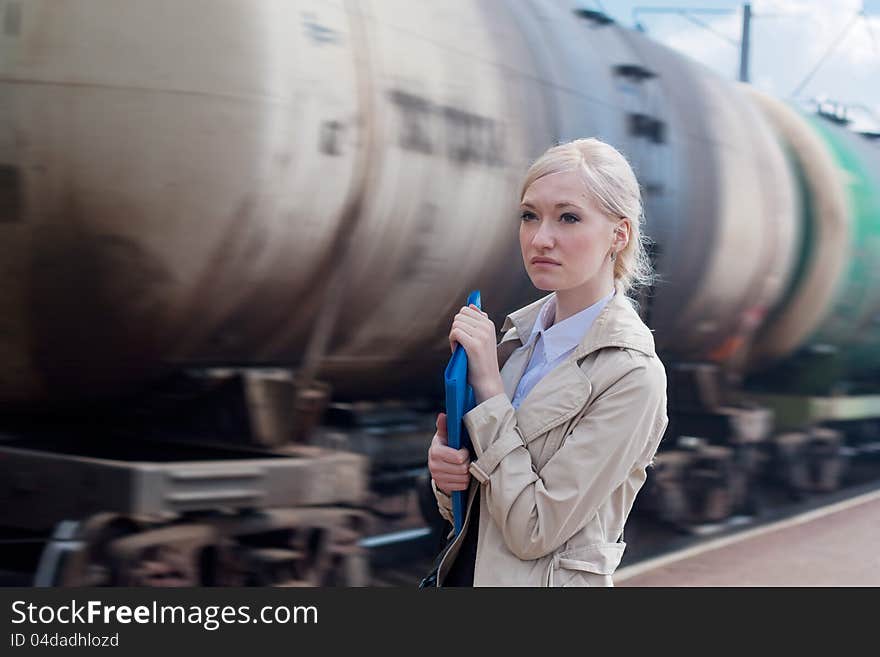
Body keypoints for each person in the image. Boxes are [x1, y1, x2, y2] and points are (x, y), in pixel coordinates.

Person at [426, 137, 668, 587]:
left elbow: (533, 529)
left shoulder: (632, 374)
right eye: (529, 215)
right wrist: (447, 473)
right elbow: (479, 510)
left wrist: (490, 389)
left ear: (619, 234)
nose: (540, 238)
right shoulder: (517, 339)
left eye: (569, 217)